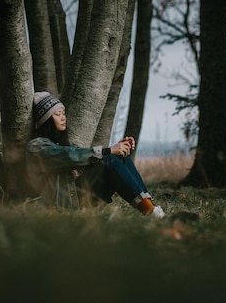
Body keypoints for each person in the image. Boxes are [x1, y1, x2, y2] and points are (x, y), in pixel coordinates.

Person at [26, 91, 165, 218]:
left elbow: (87, 158)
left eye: (63, 113)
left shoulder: (60, 143)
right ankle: (150, 211)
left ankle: (150, 208)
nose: (63, 118)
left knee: (119, 159)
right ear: (46, 120)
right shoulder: (36, 147)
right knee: (110, 159)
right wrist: (108, 151)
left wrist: (118, 149)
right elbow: (70, 156)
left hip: (77, 196)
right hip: (63, 204)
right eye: (57, 114)